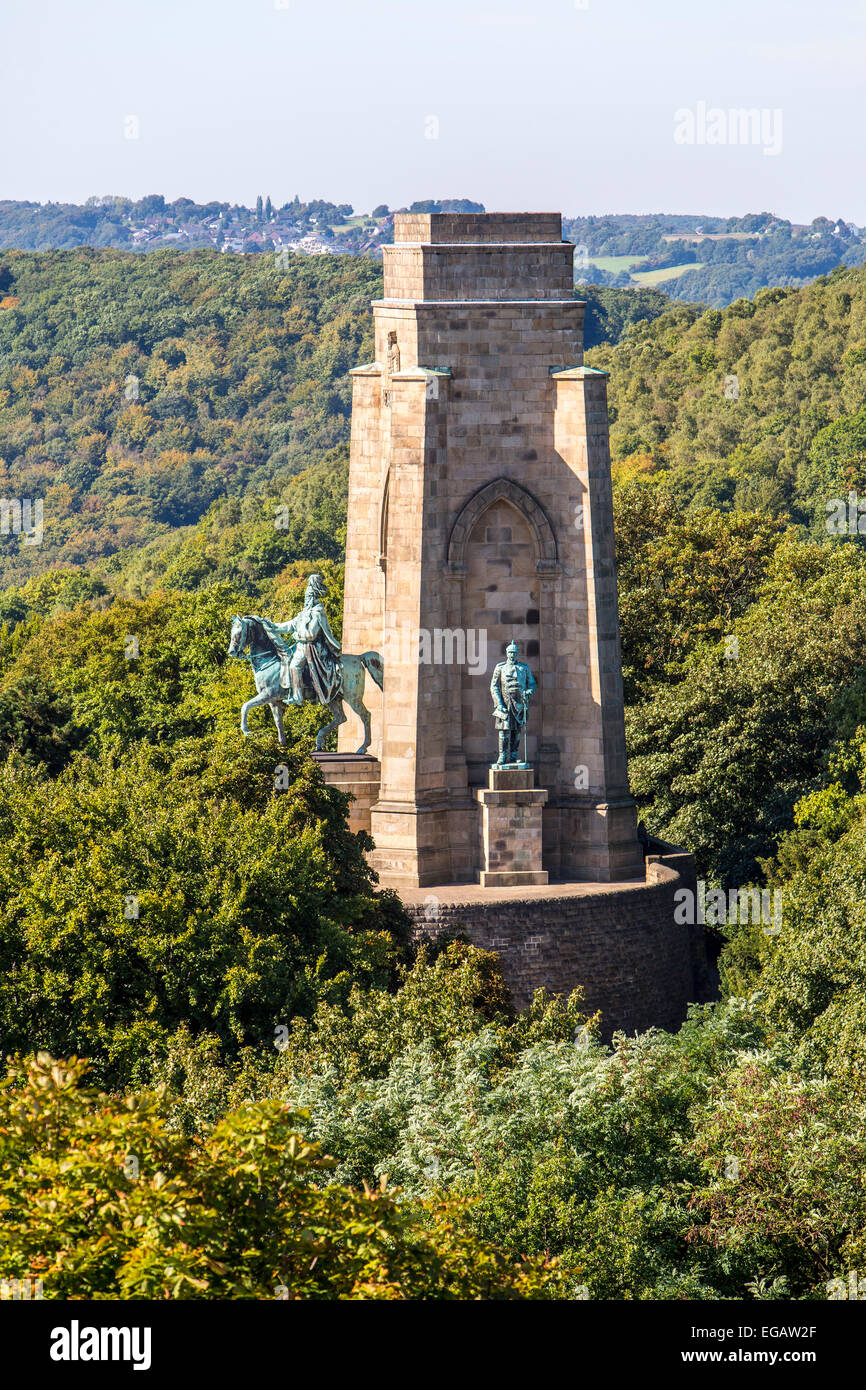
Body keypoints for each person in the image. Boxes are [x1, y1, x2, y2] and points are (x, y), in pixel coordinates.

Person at [268, 573, 342, 706]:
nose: (306, 599)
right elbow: (290, 625)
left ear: (313, 597)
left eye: (308, 597)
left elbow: (311, 634)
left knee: (295, 666)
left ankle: (298, 696)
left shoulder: (318, 612)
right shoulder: (305, 612)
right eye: (306, 597)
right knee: (285, 659)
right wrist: (273, 627)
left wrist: (296, 635)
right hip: (301, 646)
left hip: (312, 647)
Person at [489, 639, 536, 767]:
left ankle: (514, 755)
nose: (512, 655)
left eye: (514, 652)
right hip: (504, 704)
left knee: (516, 732)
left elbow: (531, 684)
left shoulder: (524, 668)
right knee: (504, 732)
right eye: (510, 652)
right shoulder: (500, 668)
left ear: (517, 653)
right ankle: (502, 755)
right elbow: (494, 687)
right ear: (506, 653)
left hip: (519, 704)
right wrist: (499, 703)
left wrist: (528, 693)